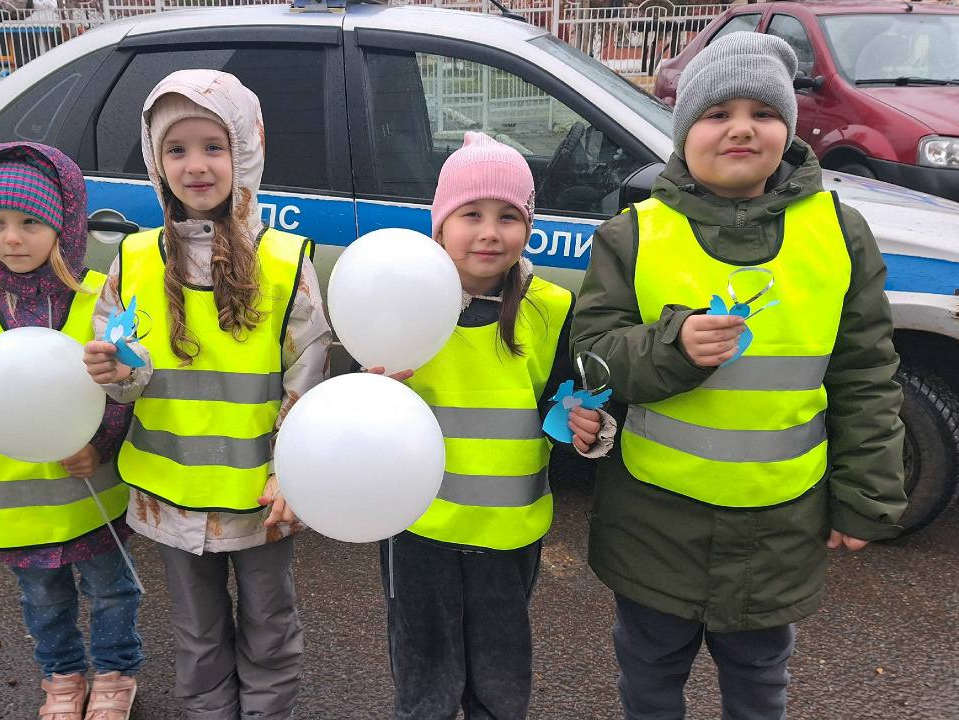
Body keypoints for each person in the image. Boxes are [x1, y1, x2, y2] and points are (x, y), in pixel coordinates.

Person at [570, 33, 907, 719]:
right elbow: (593, 358)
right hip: (654, 522)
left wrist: (866, 495)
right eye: (718, 113)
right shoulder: (633, 234)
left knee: (758, 686)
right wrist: (673, 346)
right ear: (685, 130)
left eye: (762, 111)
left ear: (788, 128)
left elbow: (866, 373)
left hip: (778, 525)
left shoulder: (839, 233)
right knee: (650, 679)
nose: (742, 127)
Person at [82, 69, 332, 720]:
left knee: (269, 629)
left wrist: (291, 474)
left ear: (245, 151)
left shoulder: (282, 262)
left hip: (260, 498)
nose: (195, 165)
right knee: (196, 639)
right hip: (172, 497)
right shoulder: (135, 259)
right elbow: (127, 377)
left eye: (213, 147)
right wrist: (113, 372)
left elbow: (307, 376)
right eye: (177, 149)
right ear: (156, 161)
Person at [381, 131, 615, 720]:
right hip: (418, 526)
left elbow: (561, 409)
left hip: (509, 530)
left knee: (500, 668)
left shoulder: (550, 308)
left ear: (529, 226)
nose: (490, 231)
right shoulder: (403, 302)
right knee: (425, 667)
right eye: (472, 214)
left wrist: (585, 428)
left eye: (509, 216)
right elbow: (374, 414)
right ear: (440, 224)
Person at [0, 141, 143, 720]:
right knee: (43, 601)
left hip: (92, 491)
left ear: (65, 223)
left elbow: (127, 382)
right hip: (15, 498)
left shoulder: (99, 296)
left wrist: (101, 444)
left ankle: (116, 673)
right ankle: (61, 678)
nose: (12, 238)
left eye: (30, 221)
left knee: (111, 591)